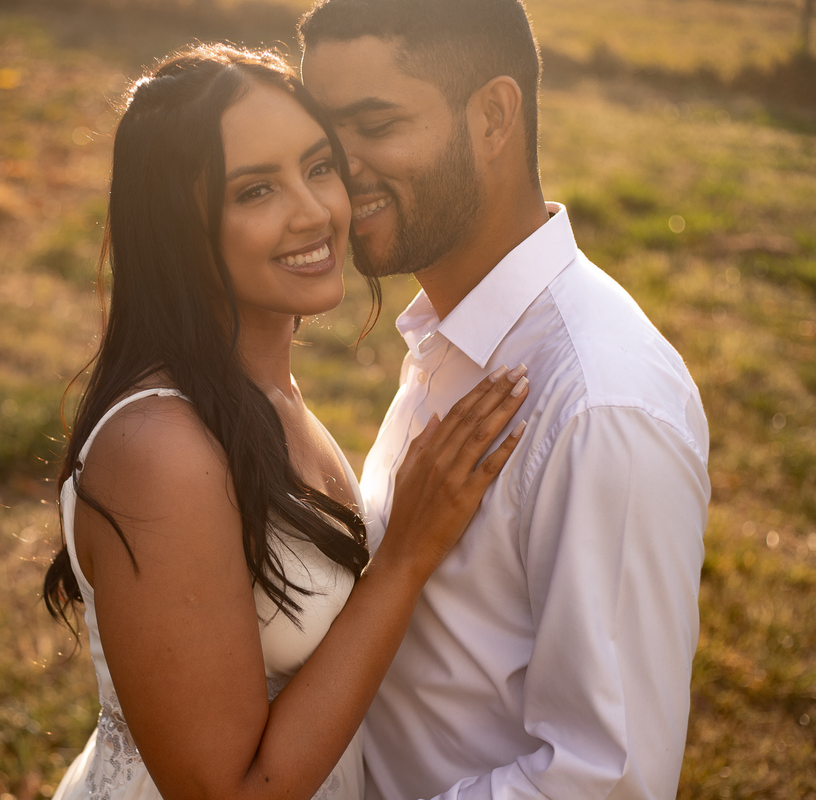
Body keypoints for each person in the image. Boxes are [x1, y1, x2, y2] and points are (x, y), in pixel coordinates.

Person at [42, 44, 530, 800]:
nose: (315, 211)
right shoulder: (161, 451)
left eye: (319, 166)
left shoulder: (265, 397)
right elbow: (227, 792)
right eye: (256, 190)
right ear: (180, 228)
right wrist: (401, 561)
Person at [298, 1, 711, 798]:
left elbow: (606, 779)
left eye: (375, 124)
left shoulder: (600, 406)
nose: (337, 175)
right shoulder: (455, 334)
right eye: (326, 134)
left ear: (493, 117)